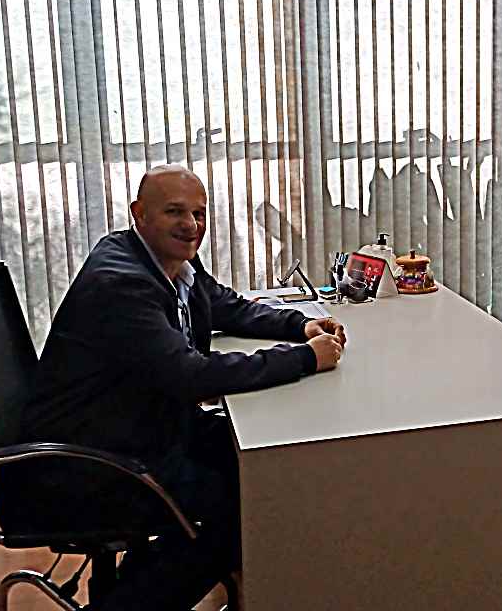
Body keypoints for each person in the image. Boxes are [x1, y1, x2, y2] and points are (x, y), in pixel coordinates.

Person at [24, 164, 346, 610]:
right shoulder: (122, 283)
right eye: (175, 211)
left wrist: (299, 324)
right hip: (95, 460)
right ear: (139, 213)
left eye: (199, 213)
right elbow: (190, 377)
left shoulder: (167, 259)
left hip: (141, 426)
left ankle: (149, 580)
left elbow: (224, 305)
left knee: (272, 467)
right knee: (248, 506)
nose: (191, 225)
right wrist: (305, 358)